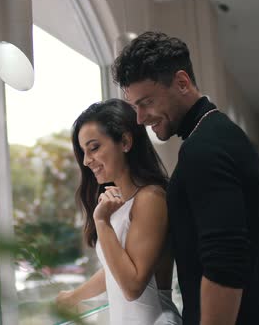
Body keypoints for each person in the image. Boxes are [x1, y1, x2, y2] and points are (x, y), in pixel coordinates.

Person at [111, 31, 259, 325]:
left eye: (147, 102)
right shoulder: (217, 134)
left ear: (182, 82)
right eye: (134, 106)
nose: (140, 118)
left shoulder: (205, 148)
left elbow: (225, 263)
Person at [56, 99, 182, 325]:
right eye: (83, 152)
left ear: (125, 141)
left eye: (94, 148)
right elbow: (117, 271)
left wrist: (101, 221)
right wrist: (73, 297)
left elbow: (132, 286)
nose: (86, 161)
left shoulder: (151, 198)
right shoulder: (120, 203)